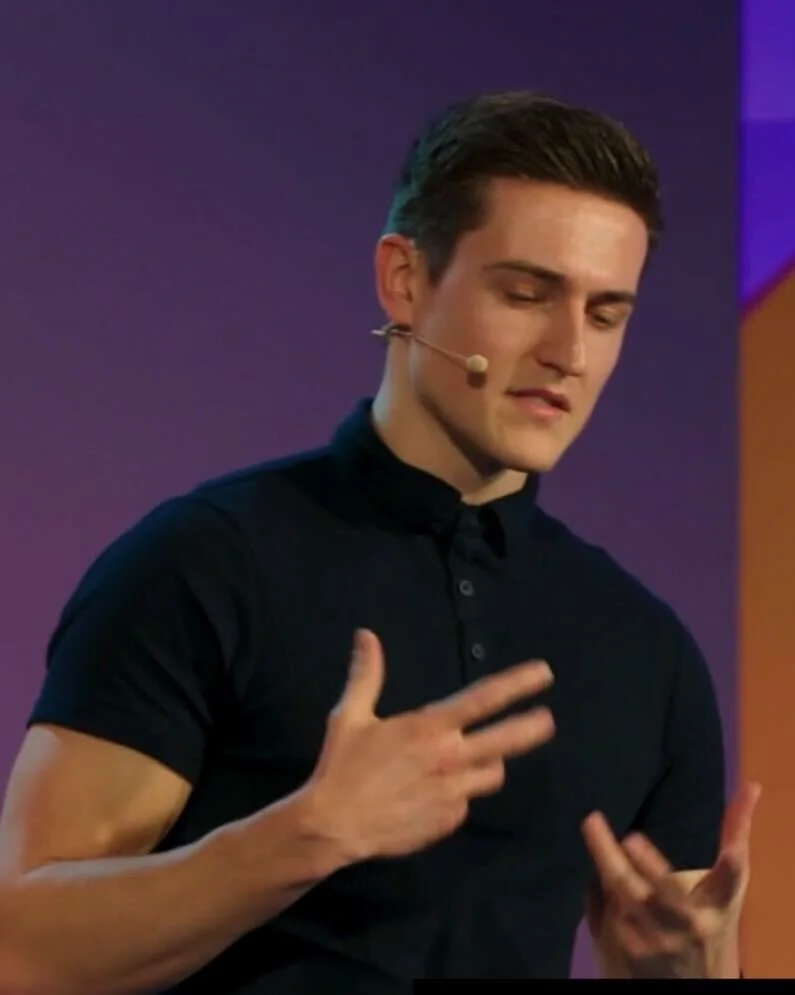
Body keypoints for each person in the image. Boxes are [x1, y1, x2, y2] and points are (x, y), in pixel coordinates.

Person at [0, 91, 758, 993]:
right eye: (525, 293)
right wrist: (301, 837)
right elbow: (23, 950)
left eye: (605, 315)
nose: (569, 351)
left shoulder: (648, 651)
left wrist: (692, 971)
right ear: (404, 279)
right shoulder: (205, 563)